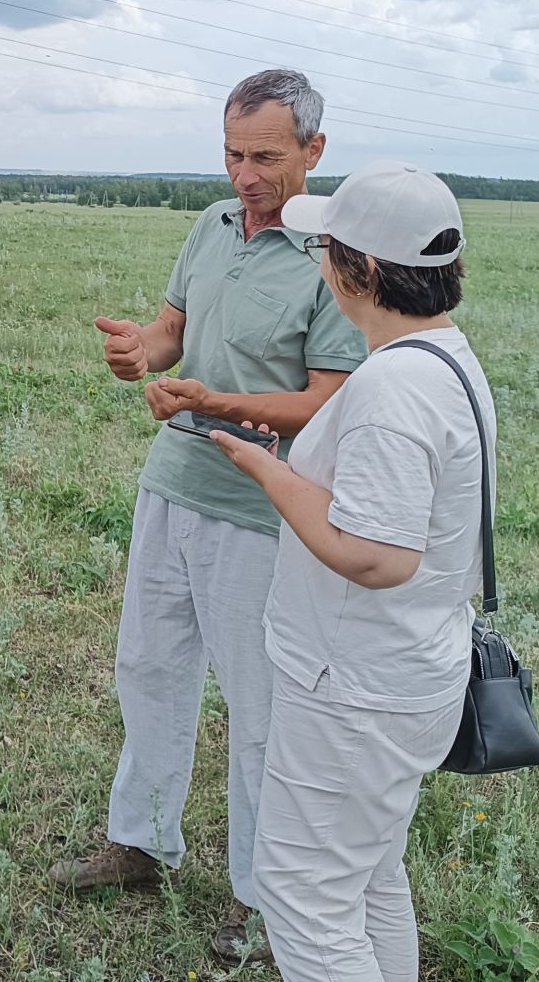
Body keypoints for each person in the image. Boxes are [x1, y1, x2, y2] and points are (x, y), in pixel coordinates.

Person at [52, 69, 366, 964]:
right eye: (232, 153)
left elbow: (328, 401)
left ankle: (267, 901)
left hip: (261, 508)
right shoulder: (211, 226)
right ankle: (142, 843)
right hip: (174, 482)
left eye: (266, 156)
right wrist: (134, 353)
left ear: (314, 150)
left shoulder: (334, 259)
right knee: (148, 665)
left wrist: (221, 404)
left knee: (260, 708)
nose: (245, 174)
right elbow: (168, 338)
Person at [209, 160, 492, 982]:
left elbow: (376, 554)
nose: (320, 264)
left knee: (301, 896)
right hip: (409, 672)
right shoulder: (447, 361)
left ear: (362, 270)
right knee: (368, 876)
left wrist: (270, 473)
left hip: (354, 688)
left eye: (325, 248)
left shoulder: (394, 387)